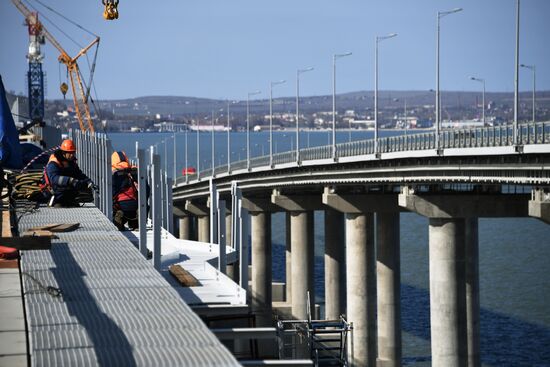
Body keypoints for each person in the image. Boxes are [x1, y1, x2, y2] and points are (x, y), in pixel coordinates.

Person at [43, 139, 93, 207]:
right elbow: (54, 178)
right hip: (55, 191)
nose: (72, 155)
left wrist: (89, 182)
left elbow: (79, 174)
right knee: (59, 204)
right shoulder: (54, 163)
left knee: (81, 186)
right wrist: (70, 180)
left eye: (73, 152)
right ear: (63, 153)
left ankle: (70, 200)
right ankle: (55, 201)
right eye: (70, 153)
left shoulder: (71, 163)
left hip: (65, 191)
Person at [111, 151, 139, 230]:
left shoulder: (114, 173)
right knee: (133, 216)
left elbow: (112, 192)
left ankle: (119, 219)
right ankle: (135, 222)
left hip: (120, 205)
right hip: (135, 204)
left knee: (114, 206)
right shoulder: (134, 171)